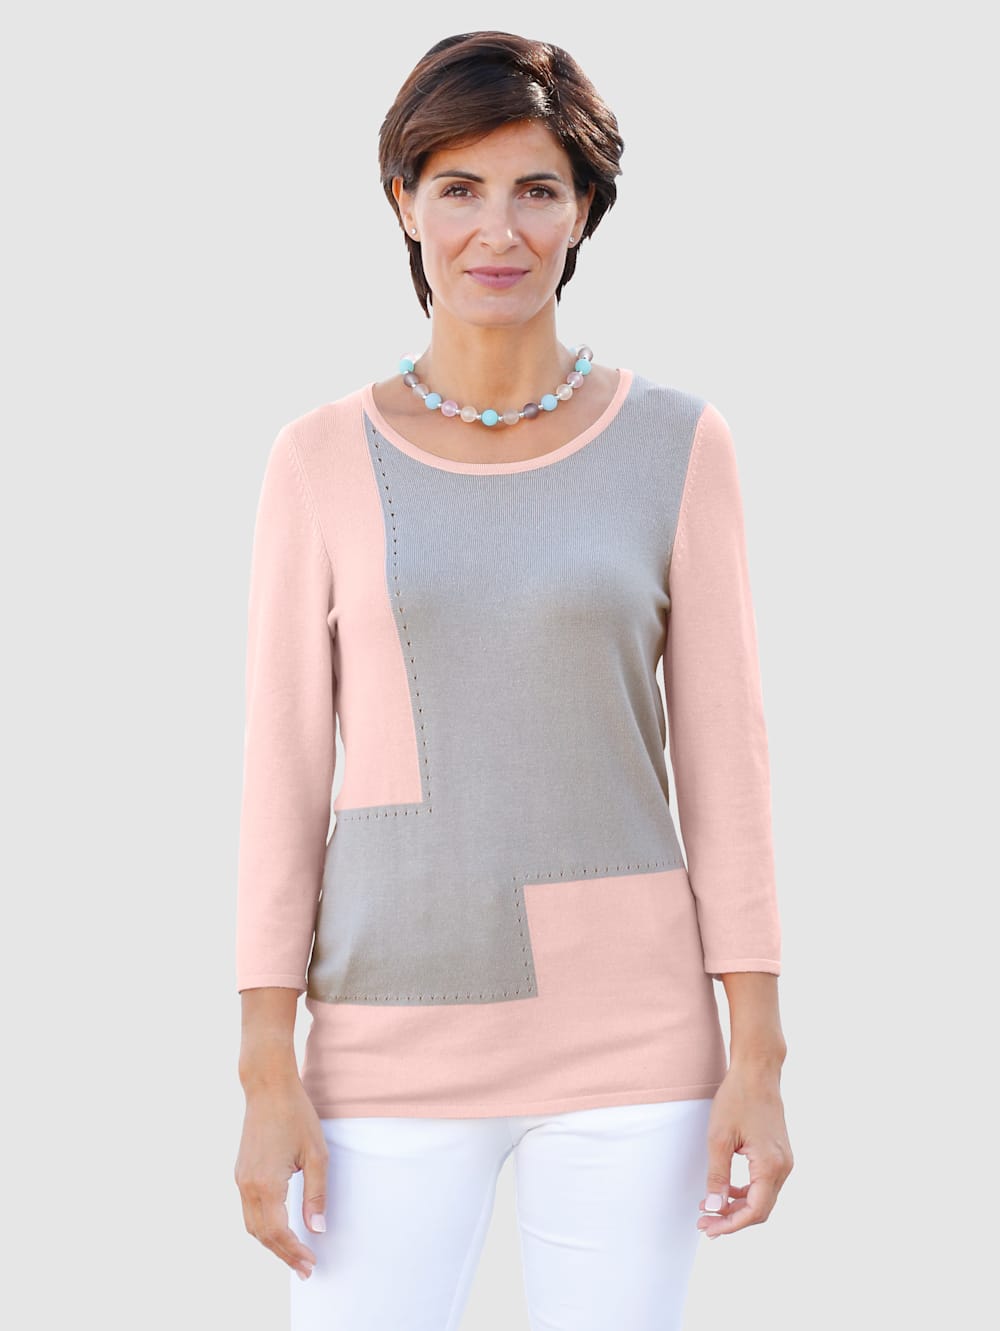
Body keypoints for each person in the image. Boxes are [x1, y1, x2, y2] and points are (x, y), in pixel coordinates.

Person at [233, 29, 793, 1331]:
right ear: (404, 203)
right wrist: (265, 1068)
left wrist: (758, 1051)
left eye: (538, 188)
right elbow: (281, 775)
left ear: (584, 208)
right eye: (460, 188)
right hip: (384, 1036)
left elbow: (726, 765)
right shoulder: (319, 459)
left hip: (634, 1045)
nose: (499, 229)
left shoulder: (678, 445)